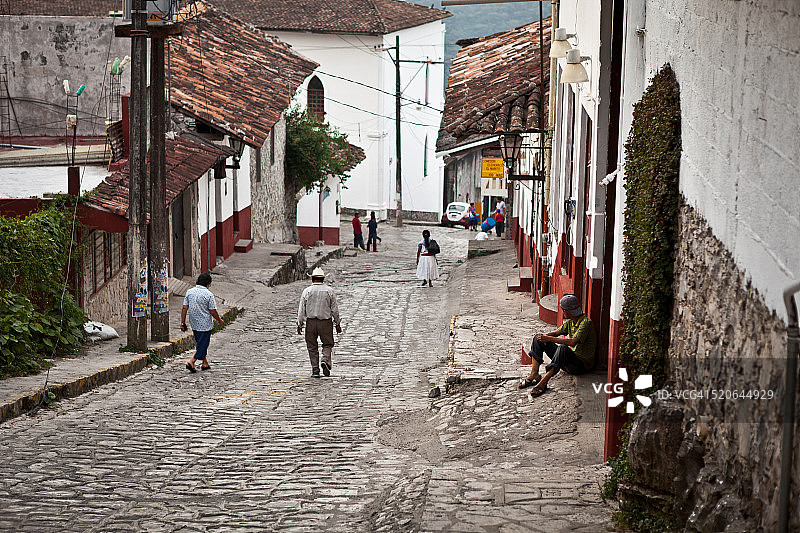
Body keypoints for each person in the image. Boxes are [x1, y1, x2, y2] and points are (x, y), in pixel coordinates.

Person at [519, 294, 597, 396]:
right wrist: (542, 337)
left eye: (563, 310)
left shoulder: (586, 323)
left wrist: (548, 338)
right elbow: (556, 333)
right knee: (538, 337)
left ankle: (544, 382)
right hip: (567, 362)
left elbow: (573, 342)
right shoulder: (570, 323)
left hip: (581, 366)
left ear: (566, 311)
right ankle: (534, 375)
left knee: (563, 348)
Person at [297, 267, 342, 378]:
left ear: (312, 279)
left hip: (311, 323)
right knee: (328, 344)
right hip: (325, 322)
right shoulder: (329, 291)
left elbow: (301, 310)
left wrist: (299, 324)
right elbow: (334, 309)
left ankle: (315, 370)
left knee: (312, 346)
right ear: (323, 279)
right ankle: (325, 360)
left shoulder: (307, 291)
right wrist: (337, 323)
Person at [181, 272, 224, 373]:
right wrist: (219, 320)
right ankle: (192, 361)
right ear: (208, 284)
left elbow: (184, 308)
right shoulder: (209, 295)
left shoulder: (189, 292)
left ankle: (205, 363)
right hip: (205, 324)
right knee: (203, 344)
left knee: (200, 343)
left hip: (194, 323)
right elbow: (212, 311)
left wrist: (183, 322)